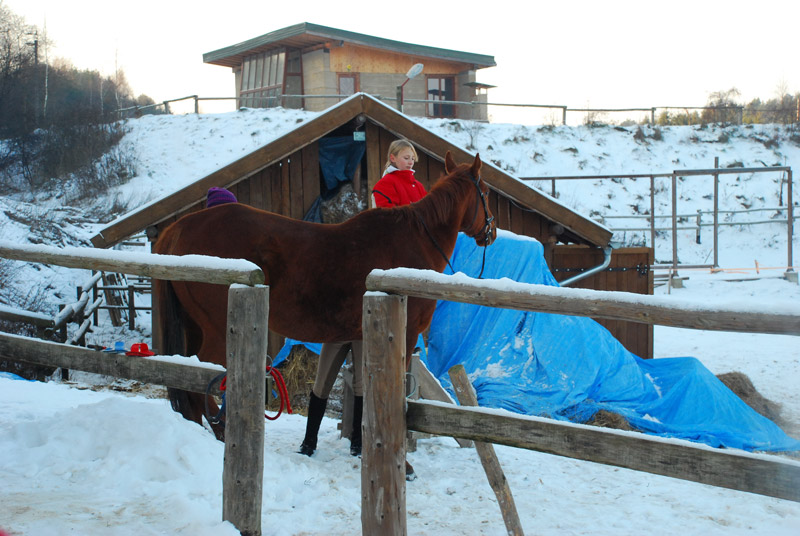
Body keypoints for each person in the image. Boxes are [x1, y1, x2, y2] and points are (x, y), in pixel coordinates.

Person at [300, 139, 428, 461]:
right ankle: (309, 440)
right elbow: (388, 227)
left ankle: (357, 441)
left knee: (360, 382)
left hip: (364, 314)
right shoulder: (383, 189)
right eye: (405, 156)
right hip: (344, 314)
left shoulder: (419, 189)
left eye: (413, 157)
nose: (410, 161)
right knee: (323, 380)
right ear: (392, 158)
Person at [371, 139, 427, 208]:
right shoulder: (385, 183)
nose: (411, 162)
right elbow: (386, 215)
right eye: (406, 158)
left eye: (413, 158)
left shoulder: (419, 186)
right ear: (393, 158)